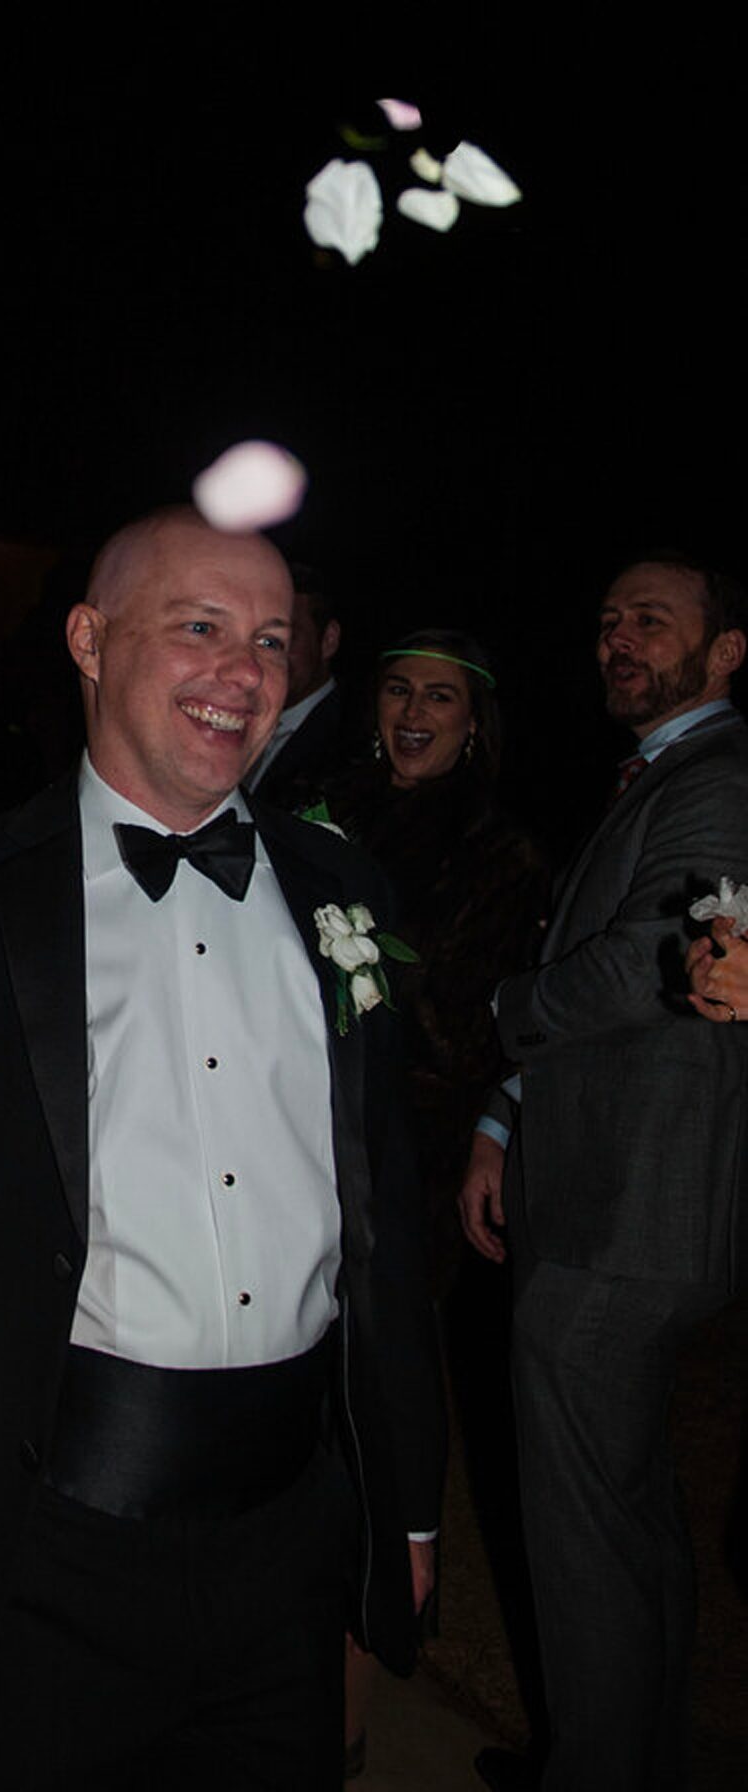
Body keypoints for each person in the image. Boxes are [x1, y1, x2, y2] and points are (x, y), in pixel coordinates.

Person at [0, 507, 445, 1789]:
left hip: (287, 1546)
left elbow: (391, 1222)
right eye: (201, 628)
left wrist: (409, 1501)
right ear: (90, 640)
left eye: (272, 641)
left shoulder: (348, 895)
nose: (243, 672)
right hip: (31, 1542)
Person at [459, 552, 748, 1792]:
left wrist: (500, 1009)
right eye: (607, 621)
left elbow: (652, 958)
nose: (617, 639)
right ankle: (635, 1757)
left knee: (584, 1530)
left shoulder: (719, 776)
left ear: (725, 650)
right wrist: (509, 1115)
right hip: (605, 1185)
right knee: (627, 1520)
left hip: (629, 1209)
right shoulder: (662, 772)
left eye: (651, 620)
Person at [325, 630, 548, 1774]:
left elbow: (471, 1029)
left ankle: (350, 1725)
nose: (417, 711)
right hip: (297, 1141)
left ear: (476, 720)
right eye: (402, 689)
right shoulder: (329, 799)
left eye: (442, 696)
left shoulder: (496, 846)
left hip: (404, 1163)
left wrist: (351, 974)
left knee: (380, 1419)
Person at [246, 560, 347, 812]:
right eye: (261, 639)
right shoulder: (236, 712)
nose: (264, 656)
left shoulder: (350, 742)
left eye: (284, 639)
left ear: (328, 640)